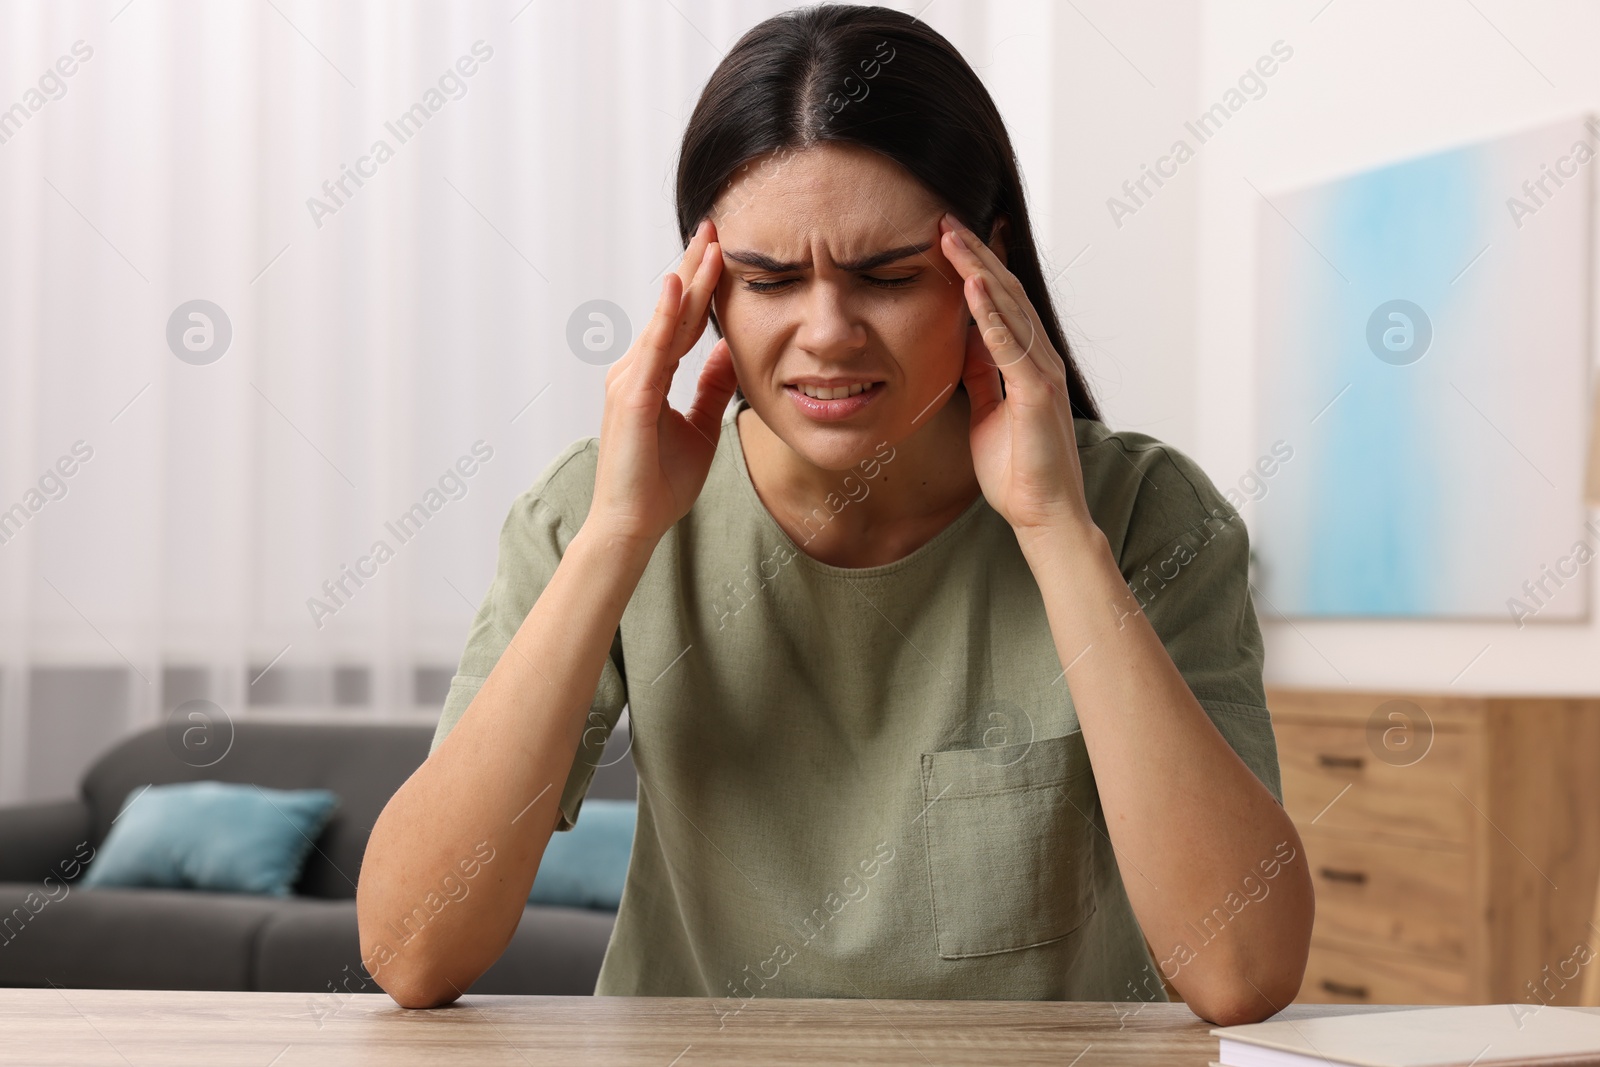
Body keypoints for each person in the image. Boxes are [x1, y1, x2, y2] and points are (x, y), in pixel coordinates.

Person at [357, 2, 1313, 1025]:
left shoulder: (1144, 516)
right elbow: (415, 949)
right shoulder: (591, 511)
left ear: (985, 267)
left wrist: (1051, 529)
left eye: (888, 277)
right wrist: (616, 535)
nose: (825, 333)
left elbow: (1242, 971)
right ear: (703, 288)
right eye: (768, 280)